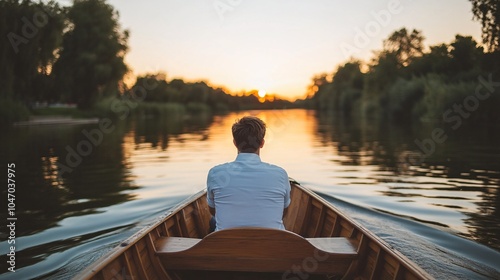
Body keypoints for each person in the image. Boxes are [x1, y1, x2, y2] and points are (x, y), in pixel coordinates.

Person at [206, 116, 291, 231]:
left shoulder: (216, 174)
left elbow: (213, 210)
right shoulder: (280, 174)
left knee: (213, 221)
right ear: (262, 143)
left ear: (235, 143)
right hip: (272, 246)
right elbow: (283, 211)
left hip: (227, 246)